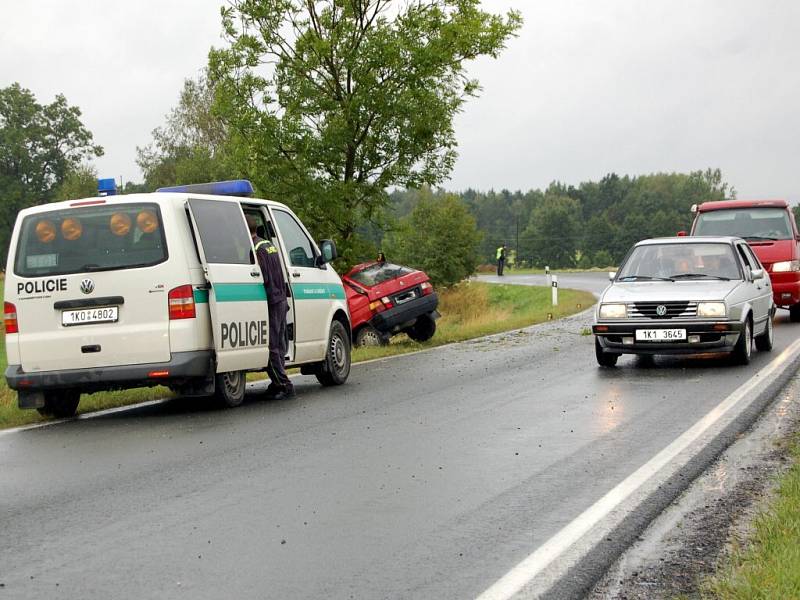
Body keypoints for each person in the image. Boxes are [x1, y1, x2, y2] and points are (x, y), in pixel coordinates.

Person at [247, 215, 294, 400]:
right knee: (280, 345)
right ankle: (277, 384)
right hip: (281, 298)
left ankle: (284, 384)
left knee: (272, 346)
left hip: (272, 301)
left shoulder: (256, 249)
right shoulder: (268, 245)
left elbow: (262, 278)